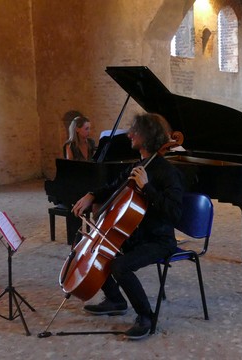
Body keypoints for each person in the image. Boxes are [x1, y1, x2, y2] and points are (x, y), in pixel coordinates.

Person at [71, 112, 184, 340]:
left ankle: (146, 316)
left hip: (158, 240)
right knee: (95, 250)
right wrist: (91, 195)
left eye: (135, 131)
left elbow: (175, 213)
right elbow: (114, 187)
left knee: (120, 265)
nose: (130, 134)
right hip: (136, 235)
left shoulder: (167, 172)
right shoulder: (138, 165)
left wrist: (148, 188)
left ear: (148, 136)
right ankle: (115, 300)